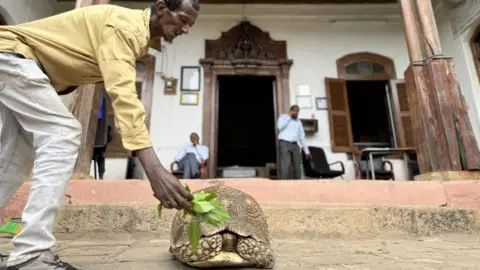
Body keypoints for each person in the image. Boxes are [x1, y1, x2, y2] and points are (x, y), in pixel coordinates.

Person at [0, 0, 199, 269]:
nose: (186, 29)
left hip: (19, 64)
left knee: (16, 157)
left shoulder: (137, 40)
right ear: (162, 8)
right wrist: (154, 169)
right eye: (183, 20)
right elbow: (125, 99)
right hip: (14, 57)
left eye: (191, 25)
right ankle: (31, 254)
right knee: (63, 133)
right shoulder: (123, 28)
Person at [277, 105, 312, 179]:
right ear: (291, 110)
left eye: (297, 111)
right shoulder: (283, 117)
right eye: (295, 111)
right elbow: (279, 127)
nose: (296, 113)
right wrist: (289, 117)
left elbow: (302, 137)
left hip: (295, 145)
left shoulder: (298, 122)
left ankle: (297, 184)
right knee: (285, 165)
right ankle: (282, 184)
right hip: (284, 144)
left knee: (297, 166)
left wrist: (307, 151)